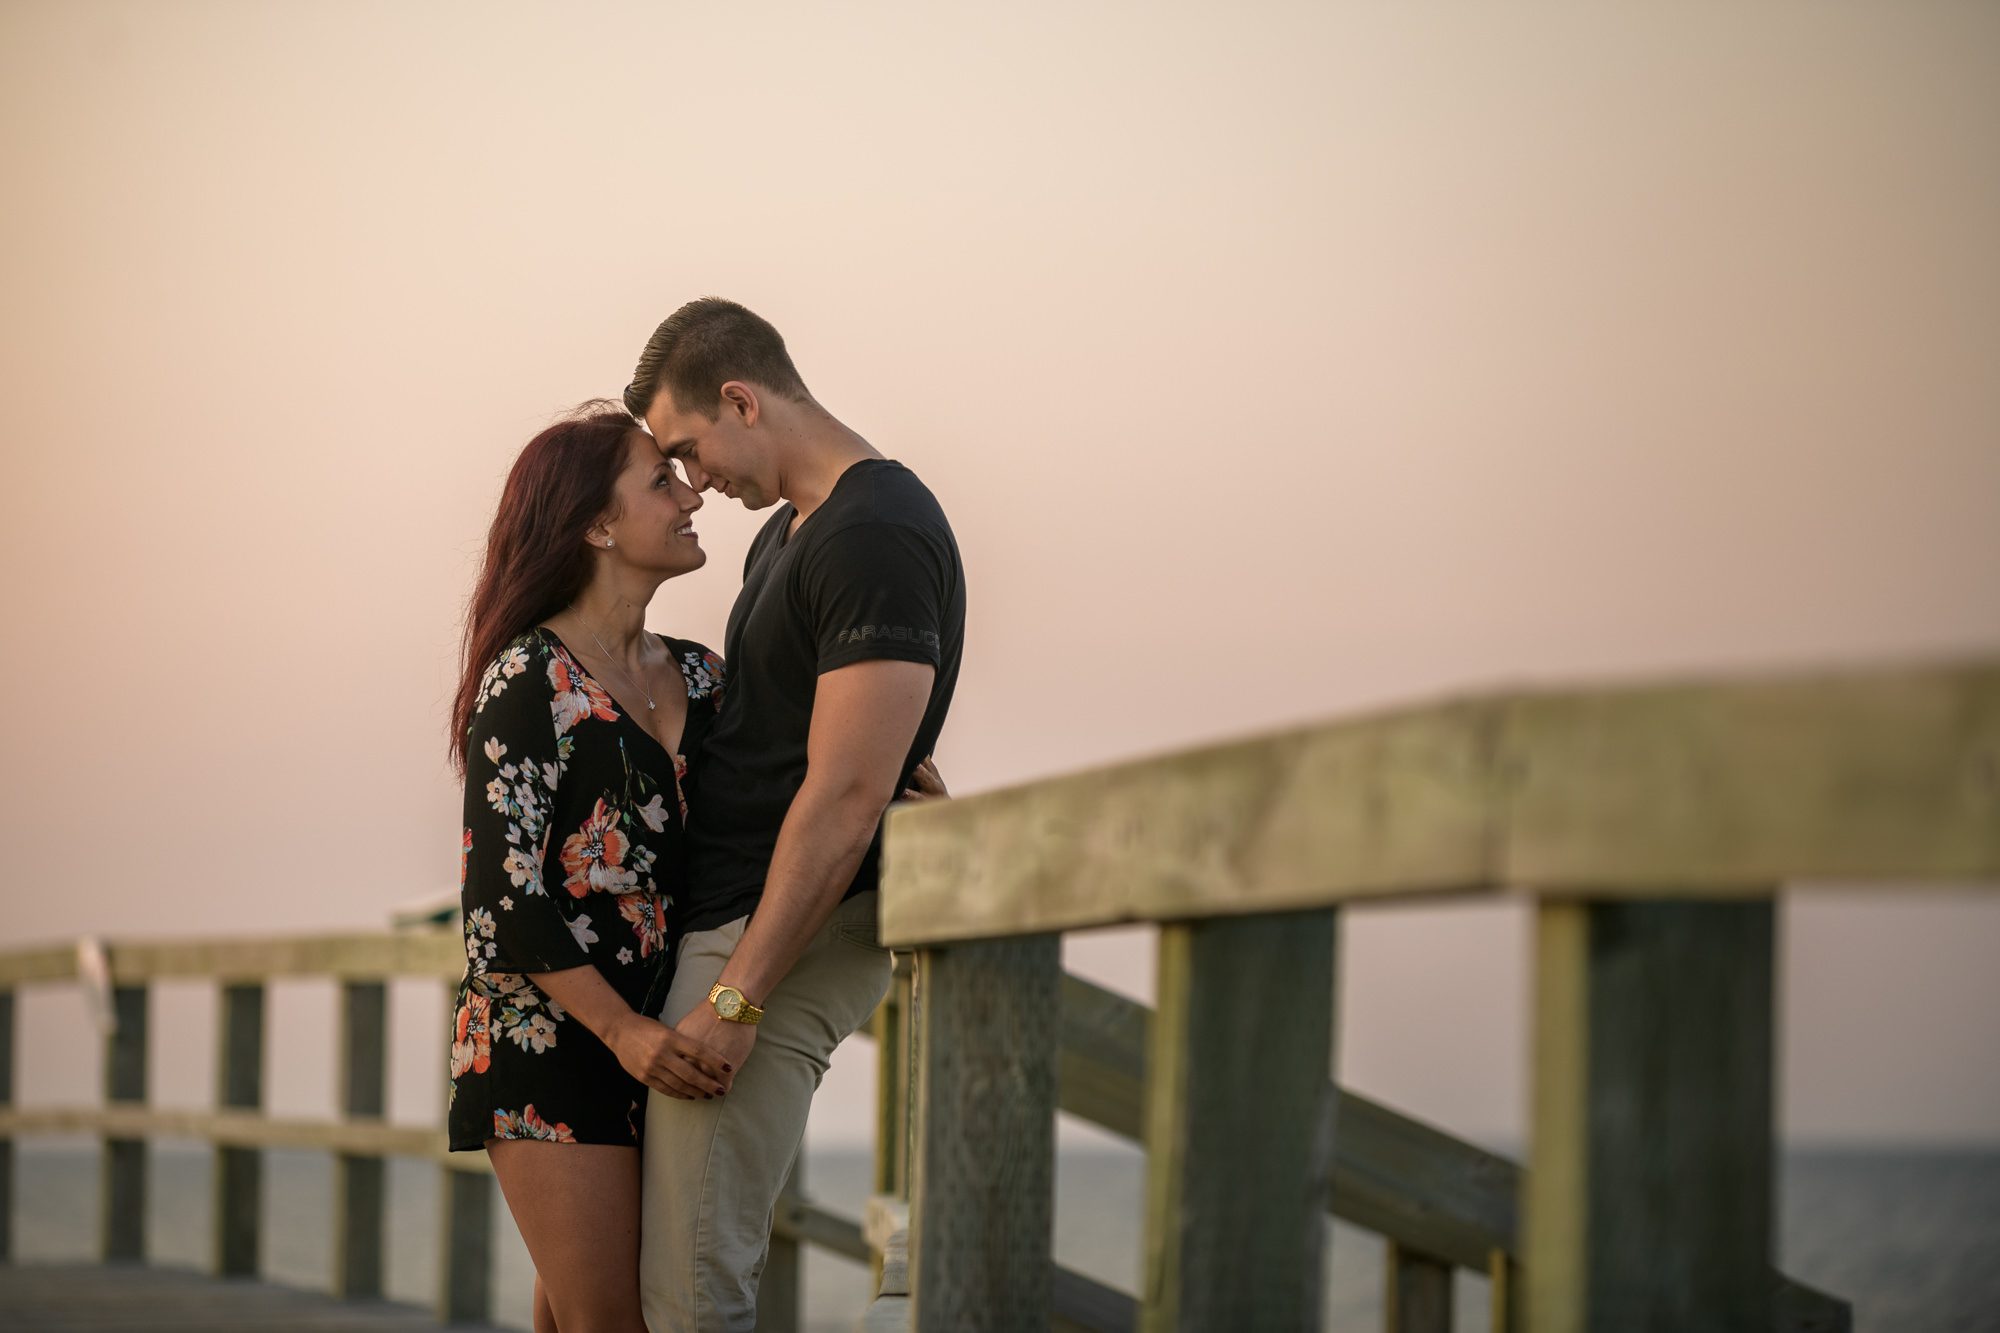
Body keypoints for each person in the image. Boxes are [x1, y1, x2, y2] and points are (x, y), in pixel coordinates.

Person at [624, 298, 966, 1332]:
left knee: (690, 1289)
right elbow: (814, 742)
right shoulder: (791, 530)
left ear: (741, 399)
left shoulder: (875, 530)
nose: (691, 482)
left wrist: (736, 1002)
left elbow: (847, 791)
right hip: (737, 917)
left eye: (688, 448)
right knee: (679, 1270)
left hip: (771, 938)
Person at [447, 402, 736, 1333]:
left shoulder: (704, 678)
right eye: (662, 480)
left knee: (597, 1314)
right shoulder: (527, 678)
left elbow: (793, 796)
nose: (692, 493)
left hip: (663, 1032)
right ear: (598, 524)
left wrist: (905, 780)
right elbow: (502, 902)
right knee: (617, 1321)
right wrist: (622, 1034)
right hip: (552, 1037)